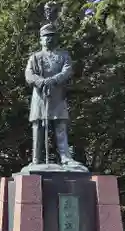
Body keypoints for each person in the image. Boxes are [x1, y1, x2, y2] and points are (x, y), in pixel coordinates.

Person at [24, 22, 82, 167]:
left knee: (60, 125)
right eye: (45, 37)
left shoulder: (63, 55)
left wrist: (53, 80)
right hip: (40, 96)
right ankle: (36, 159)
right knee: (38, 127)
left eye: (51, 36)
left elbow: (67, 71)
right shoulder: (35, 57)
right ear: (40, 40)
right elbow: (29, 74)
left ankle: (65, 157)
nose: (48, 39)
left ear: (56, 38)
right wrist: (42, 82)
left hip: (57, 95)